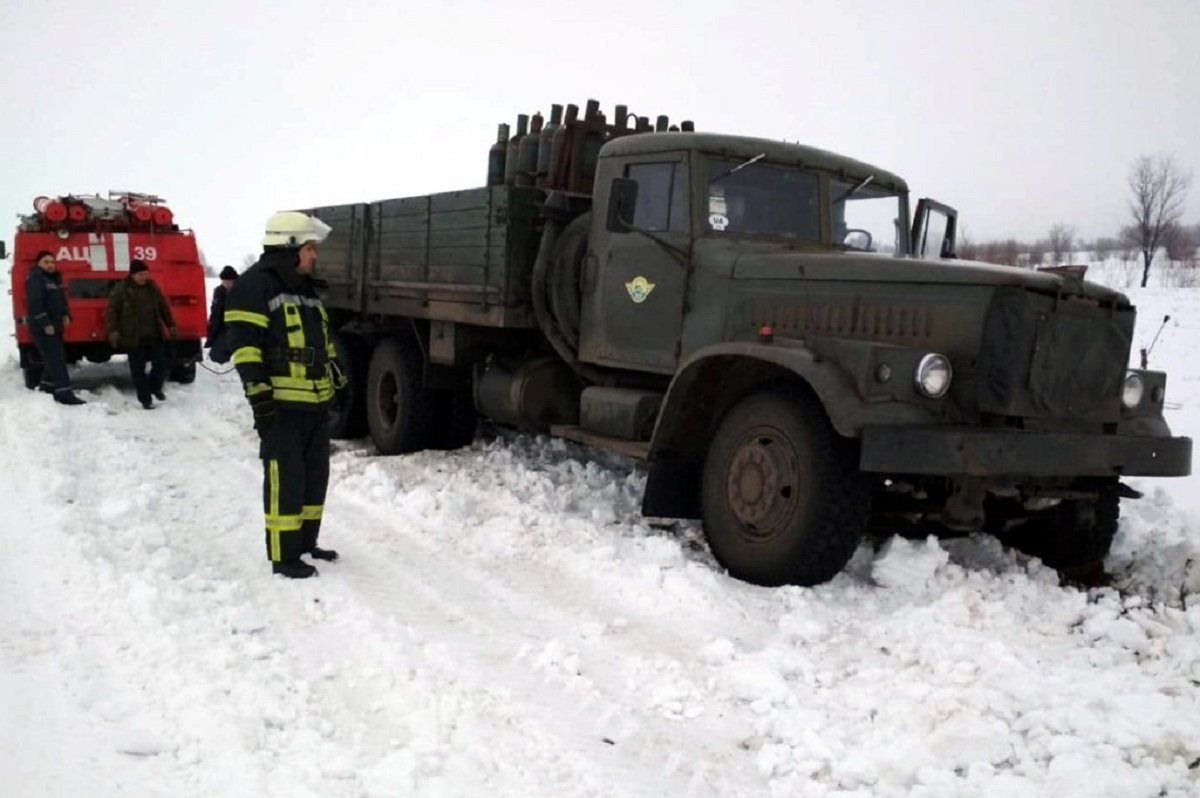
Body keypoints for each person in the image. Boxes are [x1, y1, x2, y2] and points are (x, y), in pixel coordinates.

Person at [226, 211, 344, 579]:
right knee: (285, 480)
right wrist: (260, 397)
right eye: (310, 248)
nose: (315, 256)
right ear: (290, 248)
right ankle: (283, 555)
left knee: (313, 479)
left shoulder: (304, 288)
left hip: (314, 404)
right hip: (281, 406)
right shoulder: (254, 286)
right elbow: (246, 349)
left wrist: (336, 375)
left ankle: (306, 542)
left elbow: (320, 341)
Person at [106, 259, 177, 409]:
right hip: (133, 337)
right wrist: (113, 331)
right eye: (140, 274)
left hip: (154, 334)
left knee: (161, 363)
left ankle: (154, 386)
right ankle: (145, 400)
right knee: (138, 370)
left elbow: (163, 307)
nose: (143, 277)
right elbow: (112, 311)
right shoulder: (121, 289)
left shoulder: (152, 287)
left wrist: (170, 324)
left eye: (145, 274)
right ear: (132, 275)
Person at [24, 250, 86, 405]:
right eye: (46, 262)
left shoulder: (54, 279)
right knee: (56, 359)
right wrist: (45, 323)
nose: (50, 265)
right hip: (44, 327)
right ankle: (64, 393)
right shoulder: (36, 279)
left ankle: (47, 386)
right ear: (38, 263)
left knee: (56, 357)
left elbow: (60, 300)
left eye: (52, 262)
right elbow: (35, 304)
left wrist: (65, 314)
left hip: (56, 325)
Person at [205, 265, 238, 363]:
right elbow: (215, 313)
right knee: (216, 356)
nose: (226, 284)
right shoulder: (219, 292)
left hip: (238, 327)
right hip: (223, 327)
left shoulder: (241, 291)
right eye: (224, 281)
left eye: (229, 282)